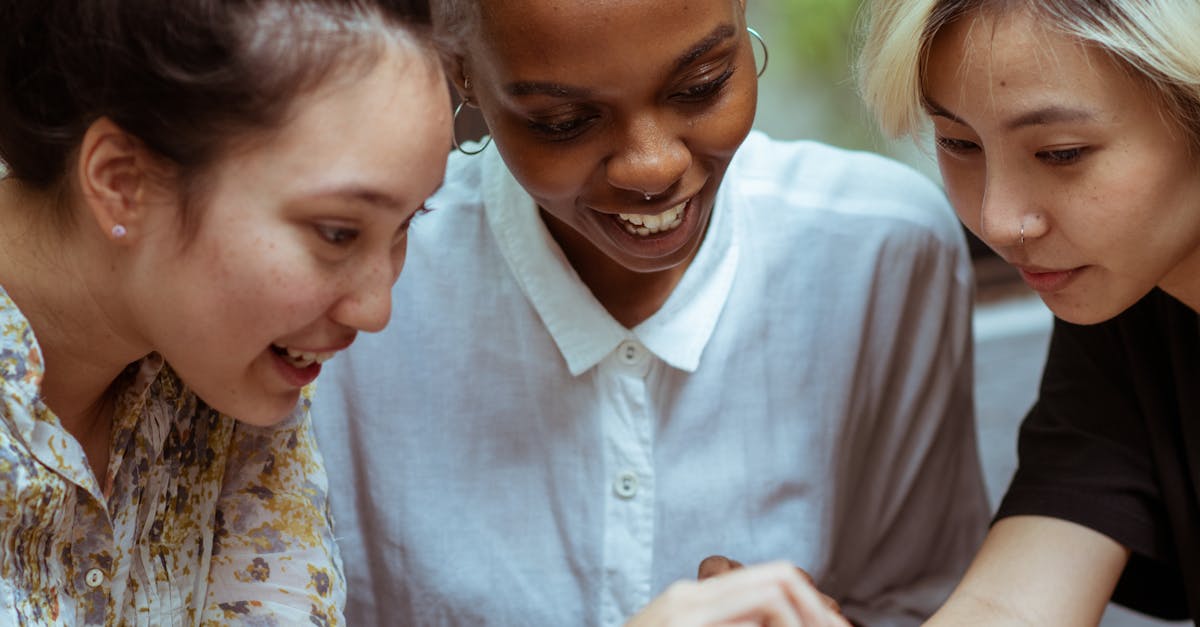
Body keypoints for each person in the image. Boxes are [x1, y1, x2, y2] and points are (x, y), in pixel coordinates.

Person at [312, 0, 991, 625]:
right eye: (564, 122)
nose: (652, 166)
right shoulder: (357, 300)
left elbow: (928, 602)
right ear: (460, 73)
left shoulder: (882, 252)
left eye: (701, 85)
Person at [0, 0, 450, 624]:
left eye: (406, 224)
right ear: (121, 180)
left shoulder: (218, 367)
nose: (377, 309)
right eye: (338, 233)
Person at [858, 0, 1200, 623]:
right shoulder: (1128, 303)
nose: (999, 221)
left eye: (1062, 153)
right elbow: (1010, 605)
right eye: (959, 143)